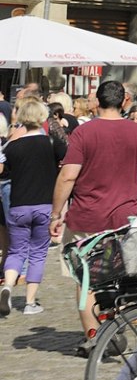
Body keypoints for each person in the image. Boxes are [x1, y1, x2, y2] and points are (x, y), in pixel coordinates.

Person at [48, 80, 137, 332]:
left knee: (85, 278)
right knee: (115, 275)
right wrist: (136, 202)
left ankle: (93, 335)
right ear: (125, 102)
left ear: (97, 102)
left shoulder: (84, 133)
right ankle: (112, 326)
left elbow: (67, 176)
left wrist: (55, 213)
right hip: (123, 217)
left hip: (86, 215)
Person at [1, 101, 61, 316]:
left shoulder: (13, 147)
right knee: (37, 253)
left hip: (18, 205)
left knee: (16, 250)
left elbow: (4, 171)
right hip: (44, 204)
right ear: (43, 117)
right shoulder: (51, 143)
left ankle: (7, 285)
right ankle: (30, 302)